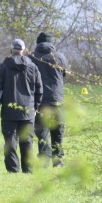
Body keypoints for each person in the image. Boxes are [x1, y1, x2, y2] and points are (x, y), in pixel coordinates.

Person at [0, 38, 42, 174]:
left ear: (11, 50)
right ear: (23, 51)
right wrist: (35, 106)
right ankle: (28, 170)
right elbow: (39, 89)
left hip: (9, 111)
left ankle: (13, 170)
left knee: (10, 141)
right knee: (27, 141)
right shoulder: (33, 67)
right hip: (28, 111)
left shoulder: (4, 66)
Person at [29, 31, 69, 166]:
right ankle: (57, 160)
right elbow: (64, 73)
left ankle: (44, 160)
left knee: (42, 131)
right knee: (58, 130)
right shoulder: (59, 57)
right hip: (56, 98)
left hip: (38, 99)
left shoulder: (31, 57)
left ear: (37, 43)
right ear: (51, 43)